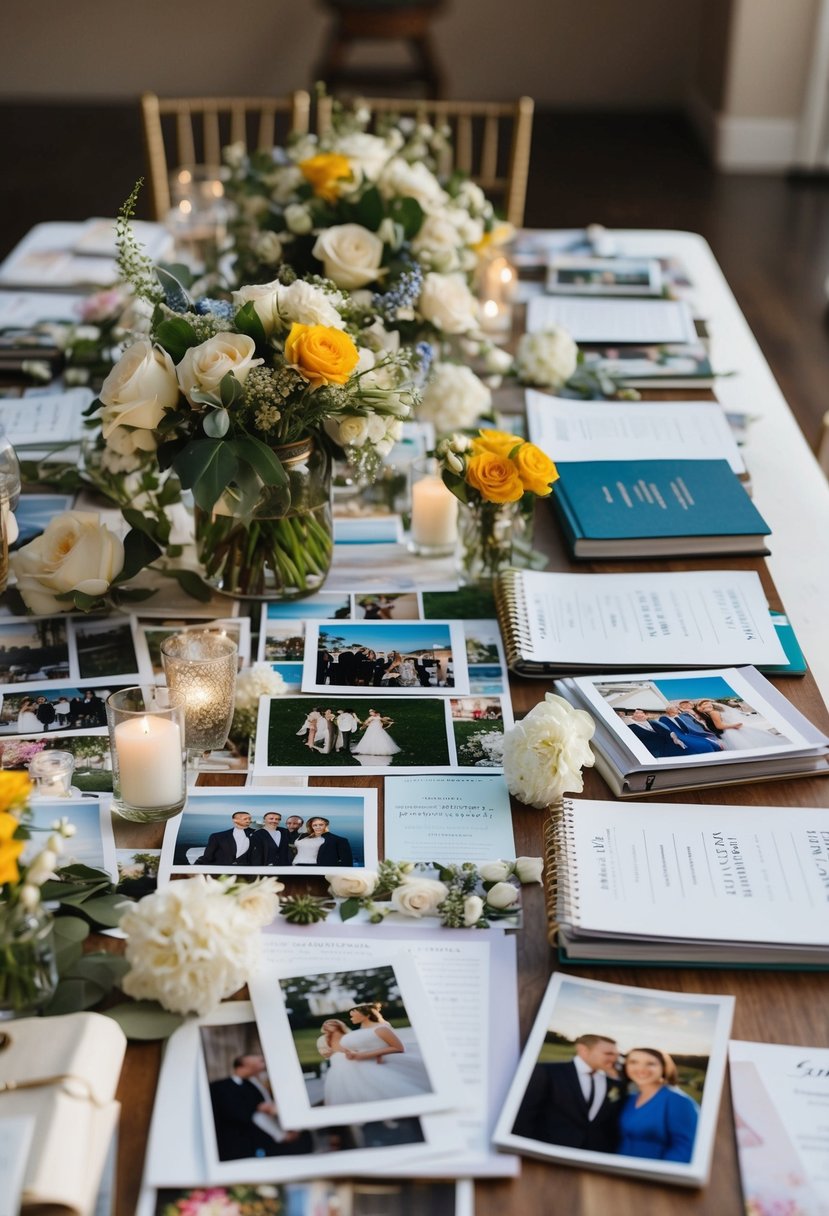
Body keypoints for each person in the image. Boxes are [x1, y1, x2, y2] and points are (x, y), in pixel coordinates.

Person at [511, 1034, 625, 1152]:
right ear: (583, 1050)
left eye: (616, 1054)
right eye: (608, 1054)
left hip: (594, 1155)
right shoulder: (547, 1072)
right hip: (548, 1151)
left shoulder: (614, 1083)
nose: (614, 1059)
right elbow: (524, 1116)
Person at [319, 1003, 431, 1105]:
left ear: (366, 1015)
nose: (350, 1018)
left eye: (353, 1015)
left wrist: (364, 1055)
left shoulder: (381, 1028)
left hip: (378, 1062)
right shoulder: (362, 1029)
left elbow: (398, 1047)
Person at [208, 1054, 312, 1160]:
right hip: (241, 1144)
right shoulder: (221, 1088)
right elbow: (250, 1115)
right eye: (259, 1061)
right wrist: (280, 1135)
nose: (262, 1064)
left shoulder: (254, 1084)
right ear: (243, 1065)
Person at [617, 1047, 699, 1163]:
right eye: (633, 1062)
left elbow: (686, 1148)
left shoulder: (678, 1101)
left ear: (664, 1068)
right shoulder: (631, 1099)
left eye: (651, 1064)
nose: (641, 1069)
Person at [698, 699, 777, 750]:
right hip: (728, 731)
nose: (707, 704)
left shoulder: (713, 712)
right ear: (701, 707)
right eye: (704, 704)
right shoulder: (709, 714)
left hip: (729, 731)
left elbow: (719, 726)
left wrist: (734, 725)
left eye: (708, 703)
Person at [655, 704, 722, 754]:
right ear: (670, 710)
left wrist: (677, 717)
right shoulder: (664, 718)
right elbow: (665, 729)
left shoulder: (679, 716)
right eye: (675, 708)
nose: (677, 709)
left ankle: (714, 747)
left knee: (706, 741)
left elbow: (686, 728)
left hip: (686, 734)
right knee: (702, 744)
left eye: (677, 708)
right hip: (677, 735)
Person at [620, 709, 687, 759]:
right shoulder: (630, 727)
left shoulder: (653, 723)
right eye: (636, 713)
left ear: (646, 715)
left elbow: (668, 732)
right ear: (632, 716)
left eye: (642, 713)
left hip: (667, 747)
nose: (639, 715)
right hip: (652, 752)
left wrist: (676, 739)